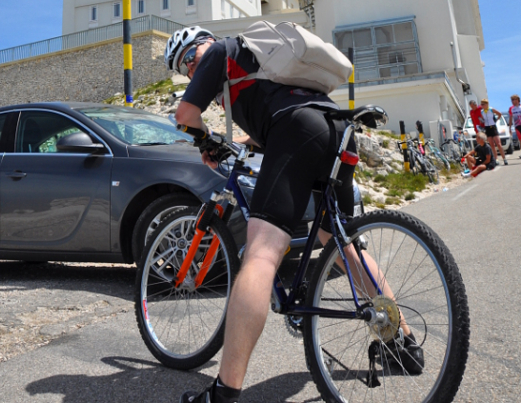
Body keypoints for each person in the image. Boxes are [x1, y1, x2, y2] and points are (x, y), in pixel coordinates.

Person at [165, 25, 424, 403]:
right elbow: (272, 122)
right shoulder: (261, 64)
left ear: (200, 46)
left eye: (188, 61)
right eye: (185, 69)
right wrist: (235, 142)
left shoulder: (221, 51)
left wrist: (205, 140)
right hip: (336, 128)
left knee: (262, 251)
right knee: (341, 243)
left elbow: (186, 113)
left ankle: (223, 393)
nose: (191, 70)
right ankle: (403, 344)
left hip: (297, 127)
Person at [480, 98, 507, 165]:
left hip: (493, 127)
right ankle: (496, 159)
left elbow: (499, 114)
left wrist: (496, 120)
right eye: (481, 104)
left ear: (487, 104)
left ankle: (504, 159)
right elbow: (482, 119)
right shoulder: (482, 112)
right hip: (487, 128)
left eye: (483, 104)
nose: (482, 106)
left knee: (498, 144)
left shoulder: (491, 109)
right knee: (492, 145)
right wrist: (482, 121)